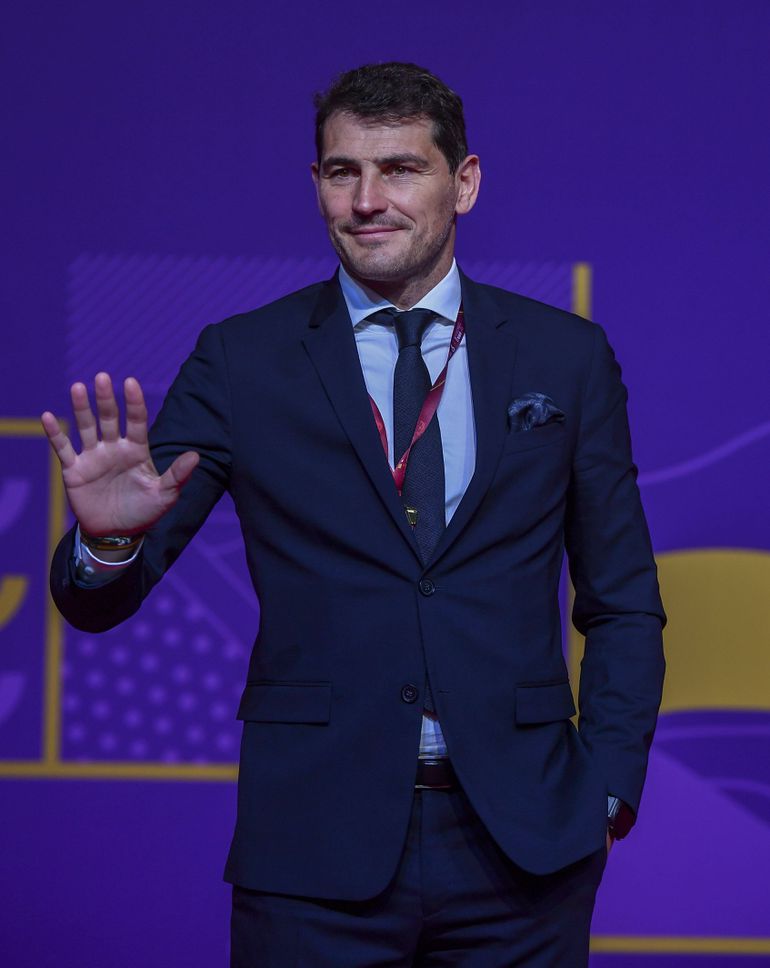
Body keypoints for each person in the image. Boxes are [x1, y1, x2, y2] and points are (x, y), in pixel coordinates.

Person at [44, 62, 665, 967]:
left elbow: (624, 601)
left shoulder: (564, 357)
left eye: (401, 169)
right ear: (317, 184)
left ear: (464, 182)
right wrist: (109, 536)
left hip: (526, 847)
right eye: (343, 172)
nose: (368, 200)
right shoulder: (242, 361)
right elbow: (98, 601)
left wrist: (605, 788)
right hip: (313, 848)